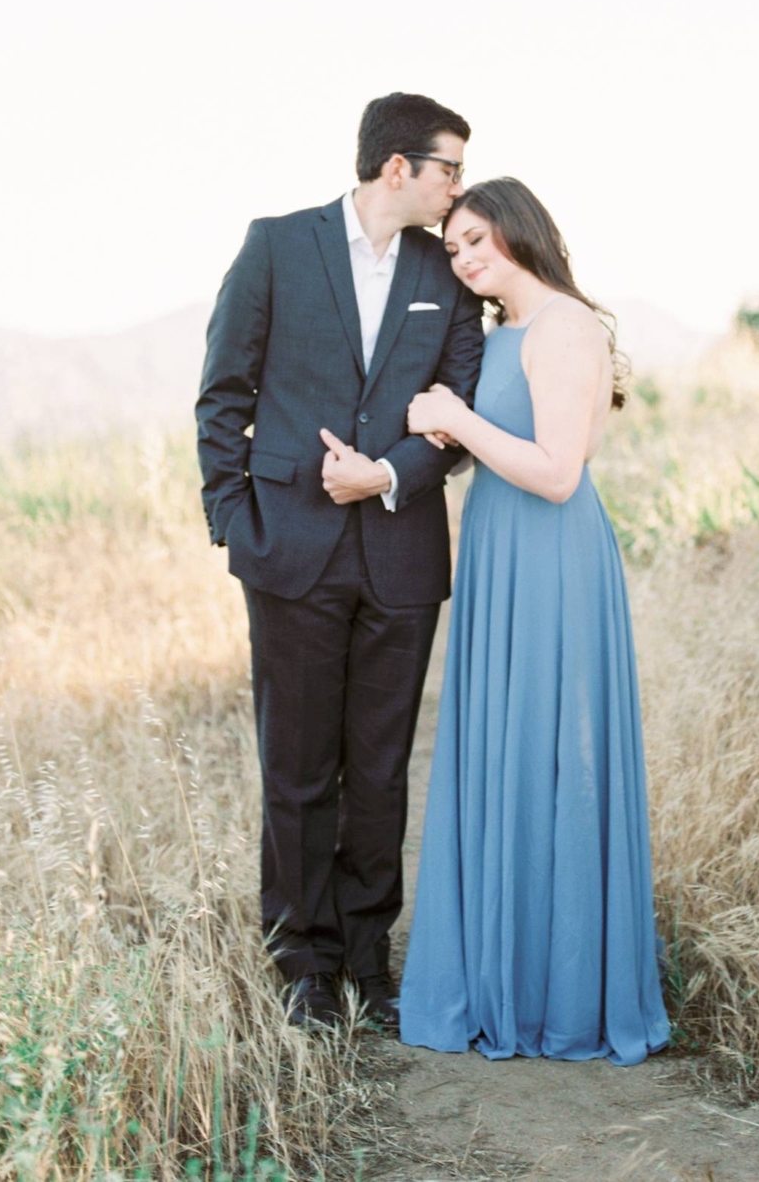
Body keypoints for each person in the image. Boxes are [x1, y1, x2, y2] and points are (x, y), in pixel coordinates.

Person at [196, 93, 484, 1029]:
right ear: (397, 166)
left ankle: (368, 957)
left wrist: (390, 477)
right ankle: (302, 965)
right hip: (290, 551)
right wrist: (237, 525)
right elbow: (223, 394)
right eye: (450, 168)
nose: (458, 187)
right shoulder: (277, 246)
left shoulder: (450, 273)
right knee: (297, 767)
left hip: (401, 552)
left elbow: (460, 406)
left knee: (380, 765)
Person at [398, 177, 669, 1065]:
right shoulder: (503, 331)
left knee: (554, 757)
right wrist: (455, 432)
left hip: (550, 556)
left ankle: (559, 994)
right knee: (510, 755)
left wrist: (456, 419)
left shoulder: (562, 326)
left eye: (479, 240)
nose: (467, 258)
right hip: (501, 554)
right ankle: (507, 972)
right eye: (455, 249)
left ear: (520, 231)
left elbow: (559, 471)